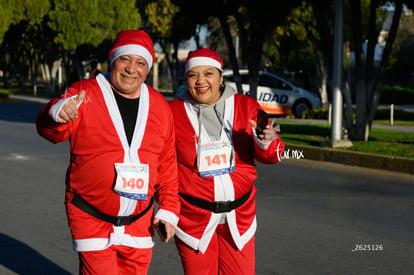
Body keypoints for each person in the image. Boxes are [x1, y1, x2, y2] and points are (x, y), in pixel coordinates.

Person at [36, 30, 180, 274]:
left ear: (148, 68)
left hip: (139, 224)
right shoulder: (85, 92)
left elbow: (166, 165)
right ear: (113, 60)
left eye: (140, 63)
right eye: (125, 60)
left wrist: (168, 209)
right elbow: (50, 131)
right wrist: (57, 114)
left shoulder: (160, 106)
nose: (131, 69)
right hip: (92, 217)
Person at [169, 48, 285, 275]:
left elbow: (275, 153)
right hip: (193, 220)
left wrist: (265, 141)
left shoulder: (246, 106)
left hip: (239, 217)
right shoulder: (172, 112)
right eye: (193, 75)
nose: (201, 81)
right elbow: (161, 164)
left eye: (208, 73)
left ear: (221, 77)